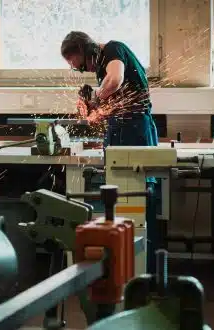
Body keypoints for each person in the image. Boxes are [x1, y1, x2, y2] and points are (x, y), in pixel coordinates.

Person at [60, 31, 159, 273]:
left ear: (86, 50)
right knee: (120, 195)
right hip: (119, 127)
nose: (84, 69)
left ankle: (145, 268)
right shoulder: (99, 65)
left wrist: (94, 97)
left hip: (135, 129)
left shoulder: (114, 49)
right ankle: (124, 264)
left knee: (140, 195)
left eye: (81, 64)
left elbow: (114, 81)